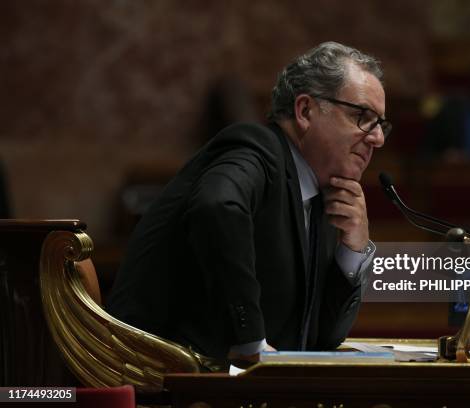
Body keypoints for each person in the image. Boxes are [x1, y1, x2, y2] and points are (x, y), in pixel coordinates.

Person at [106, 42, 390, 363]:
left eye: (381, 124)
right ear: (305, 111)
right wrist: (249, 338)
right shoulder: (255, 150)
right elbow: (217, 207)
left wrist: (353, 250)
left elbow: (321, 337)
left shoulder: (325, 191)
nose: (377, 138)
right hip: (156, 376)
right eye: (362, 117)